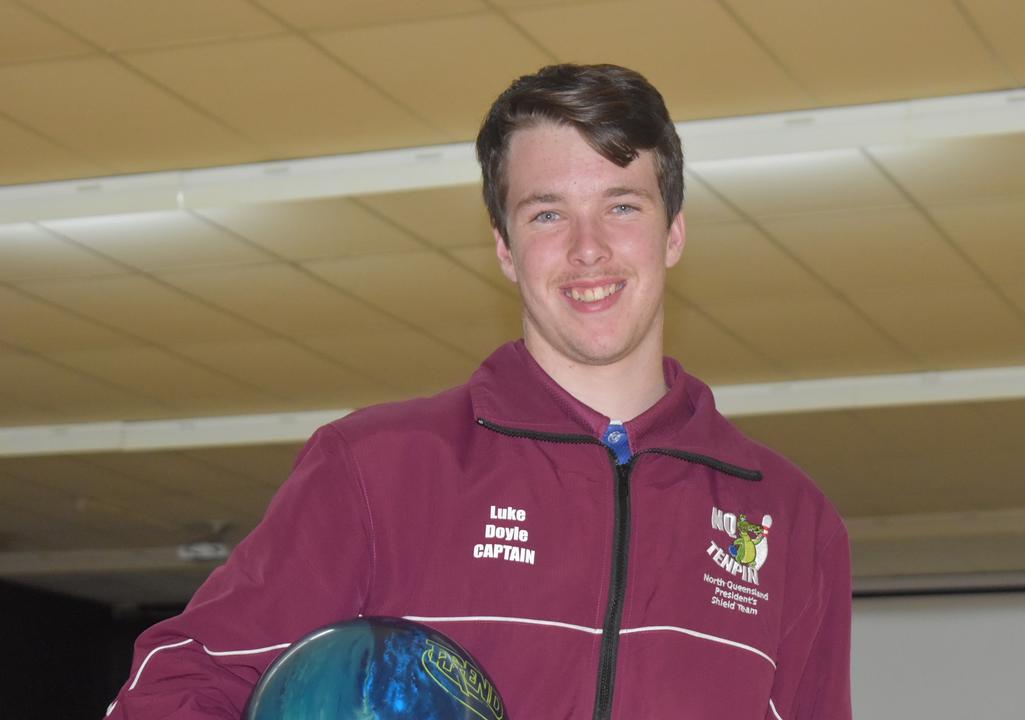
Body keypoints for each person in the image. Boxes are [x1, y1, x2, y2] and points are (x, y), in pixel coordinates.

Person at [107, 63, 851, 719]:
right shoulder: (378, 470)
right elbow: (171, 692)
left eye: (622, 206)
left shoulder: (789, 520)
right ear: (504, 247)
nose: (588, 248)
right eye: (548, 213)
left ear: (674, 233)